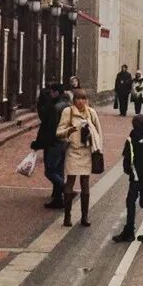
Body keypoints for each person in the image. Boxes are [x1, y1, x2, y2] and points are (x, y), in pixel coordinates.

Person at [56, 88, 103, 228]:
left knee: (85, 183)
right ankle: (67, 216)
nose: (81, 102)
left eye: (83, 99)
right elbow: (58, 132)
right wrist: (68, 131)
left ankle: (84, 216)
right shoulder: (68, 112)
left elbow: (99, 132)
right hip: (73, 151)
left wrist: (99, 150)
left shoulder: (91, 113)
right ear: (74, 100)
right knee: (70, 181)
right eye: (78, 98)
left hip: (87, 151)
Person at [114, 114, 143, 244]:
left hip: (136, 176)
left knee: (131, 201)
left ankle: (129, 231)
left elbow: (128, 159)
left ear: (133, 125)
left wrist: (130, 171)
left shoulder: (132, 139)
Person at [33, 83, 69, 209]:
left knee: (50, 171)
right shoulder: (67, 105)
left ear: (56, 93)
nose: (51, 94)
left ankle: (65, 190)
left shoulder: (54, 107)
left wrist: (40, 143)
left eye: (52, 92)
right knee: (59, 170)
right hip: (65, 141)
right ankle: (58, 198)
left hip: (54, 142)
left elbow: (48, 127)